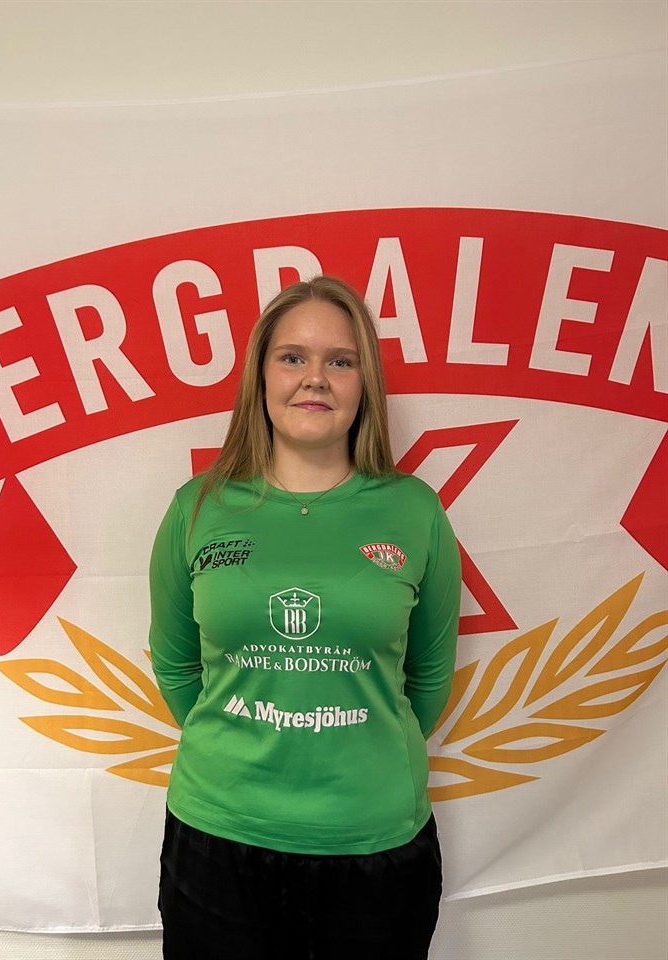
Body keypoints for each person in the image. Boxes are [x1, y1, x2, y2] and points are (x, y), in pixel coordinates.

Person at [148, 275, 461, 960]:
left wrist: (356, 755)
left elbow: (431, 676)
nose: (315, 378)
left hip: (376, 852)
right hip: (218, 844)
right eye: (292, 357)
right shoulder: (196, 508)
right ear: (261, 376)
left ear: (363, 382)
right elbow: (174, 665)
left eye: (339, 361)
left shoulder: (415, 510)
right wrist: (245, 748)